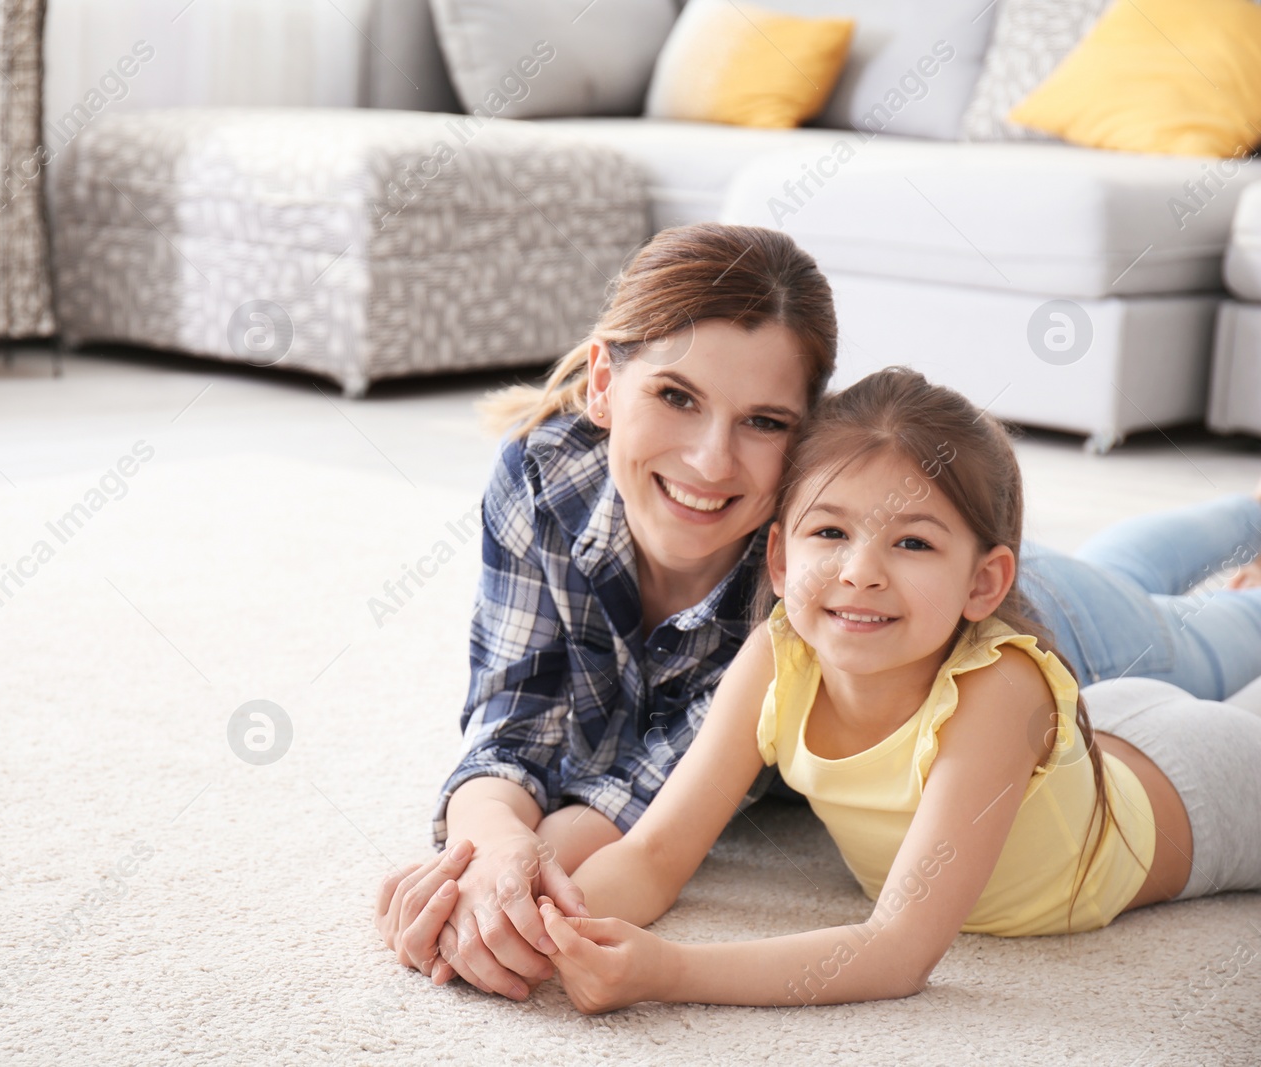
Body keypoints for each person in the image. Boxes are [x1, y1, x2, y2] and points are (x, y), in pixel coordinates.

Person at [373, 223, 1261, 1001]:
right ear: (605, 382)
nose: (712, 462)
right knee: (1133, 567)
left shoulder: (843, 595)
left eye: (762, 421)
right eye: (676, 395)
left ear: (801, 446)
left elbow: (644, 812)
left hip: (1057, 641)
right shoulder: (571, 489)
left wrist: (572, 926)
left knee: (1199, 625)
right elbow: (533, 739)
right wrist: (490, 876)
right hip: (1000, 650)